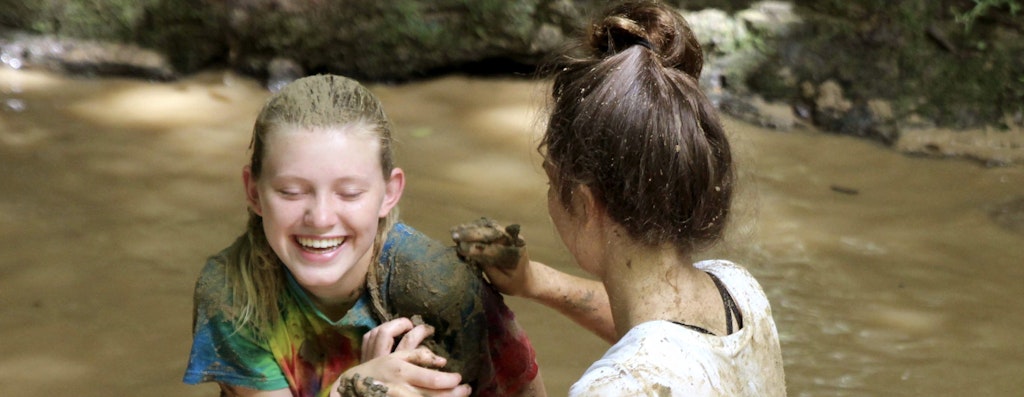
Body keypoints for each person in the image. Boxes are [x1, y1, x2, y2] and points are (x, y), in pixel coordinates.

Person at [452, 1, 786, 395]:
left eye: (551, 181)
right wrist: (535, 281)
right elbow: (659, 337)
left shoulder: (614, 388)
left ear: (583, 203)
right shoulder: (739, 294)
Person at [183, 74, 545, 397]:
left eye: (350, 193)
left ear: (389, 193)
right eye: (292, 192)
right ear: (253, 192)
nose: (321, 218)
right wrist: (354, 388)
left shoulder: (438, 288)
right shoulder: (233, 292)